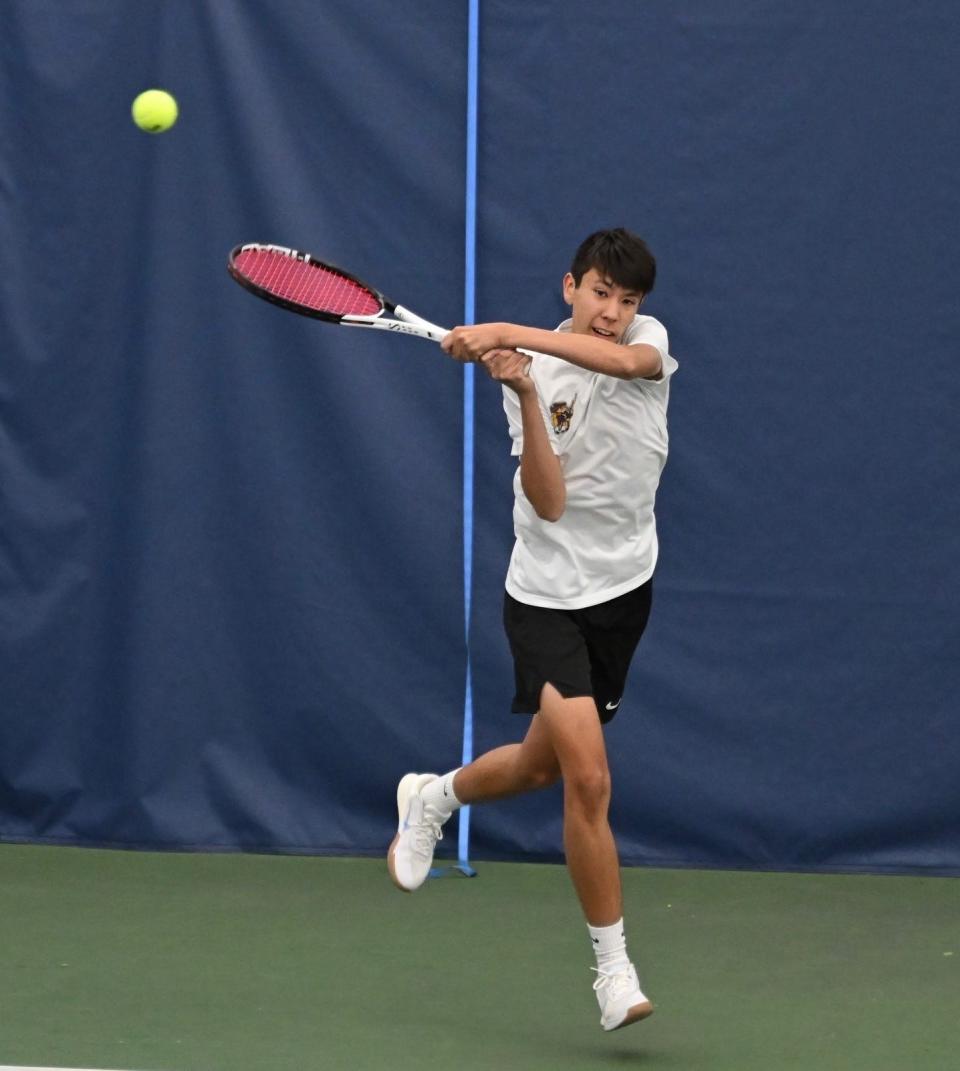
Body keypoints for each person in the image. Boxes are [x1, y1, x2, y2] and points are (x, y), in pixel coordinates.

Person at [387, 228, 678, 1032]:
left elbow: (621, 365)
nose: (613, 313)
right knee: (589, 781)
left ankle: (433, 795)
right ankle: (613, 969)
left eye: (627, 300)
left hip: (624, 590)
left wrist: (505, 332)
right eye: (599, 293)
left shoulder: (647, 345)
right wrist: (520, 389)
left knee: (538, 768)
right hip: (547, 596)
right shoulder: (540, 371)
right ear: (569, 286)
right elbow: (548, 503)